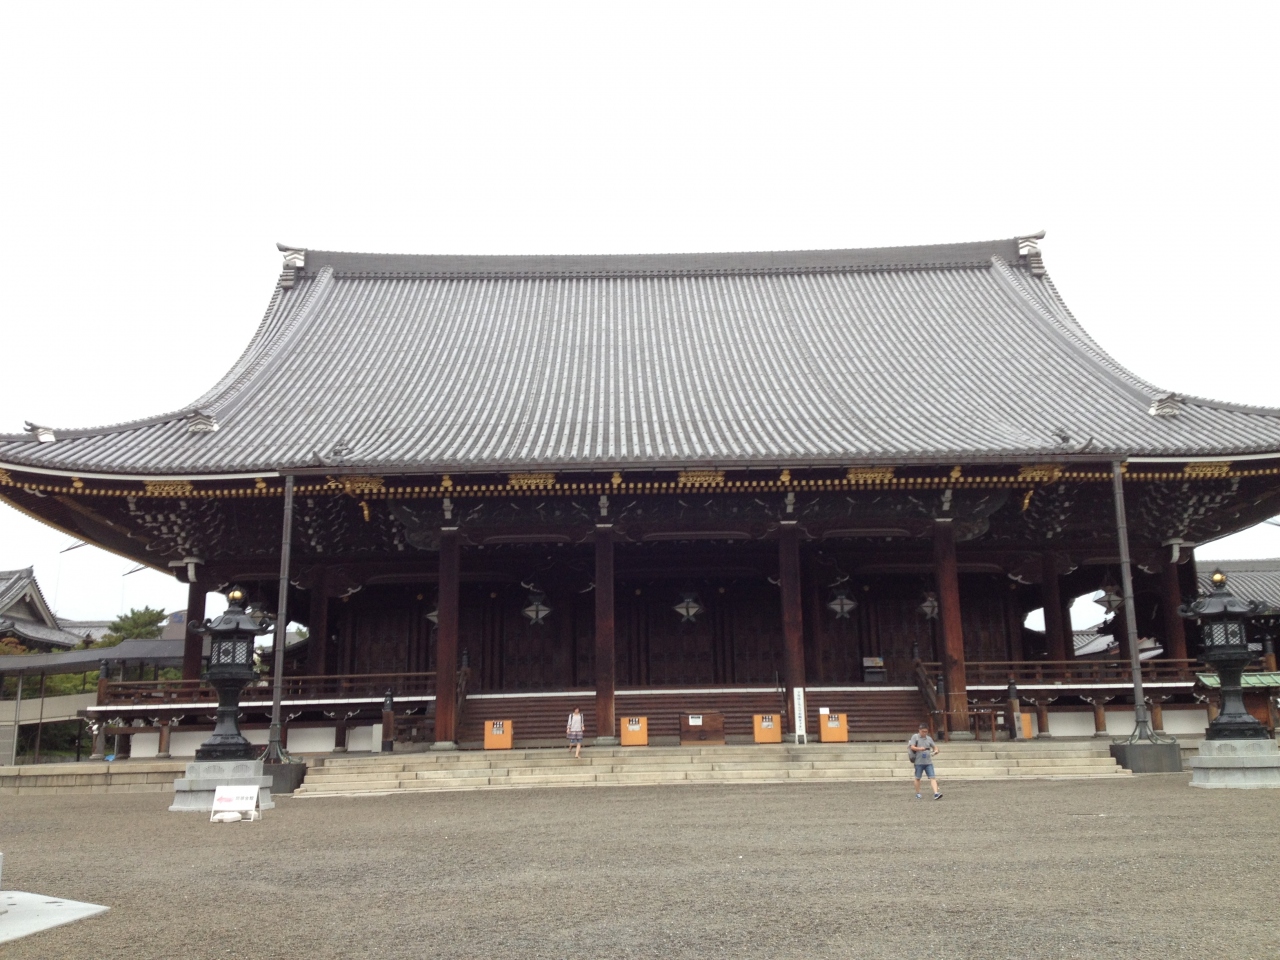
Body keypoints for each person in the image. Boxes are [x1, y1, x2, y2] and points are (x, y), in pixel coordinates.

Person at [908, 722, 942, 799]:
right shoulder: (915, 737)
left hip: (928, 761)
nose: (924, 733)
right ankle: (918, 793)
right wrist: (920, 749)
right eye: (923, 731)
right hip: (918, 761)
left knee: (932, 777)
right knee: (917, 778)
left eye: (926, 731)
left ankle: (936, 793)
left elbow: (934, 746)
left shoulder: (929, 738)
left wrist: (936, 750)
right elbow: (912, 747)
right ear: (919, 730)